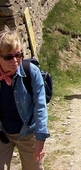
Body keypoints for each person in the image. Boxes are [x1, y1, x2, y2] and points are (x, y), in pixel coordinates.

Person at [0, 26, 50, 169]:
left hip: (28, 134)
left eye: (18, 55)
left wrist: (40, 141)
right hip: (2, 133)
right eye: (8, 57)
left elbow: (40, 106)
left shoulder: (31, 72)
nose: (15, 61)